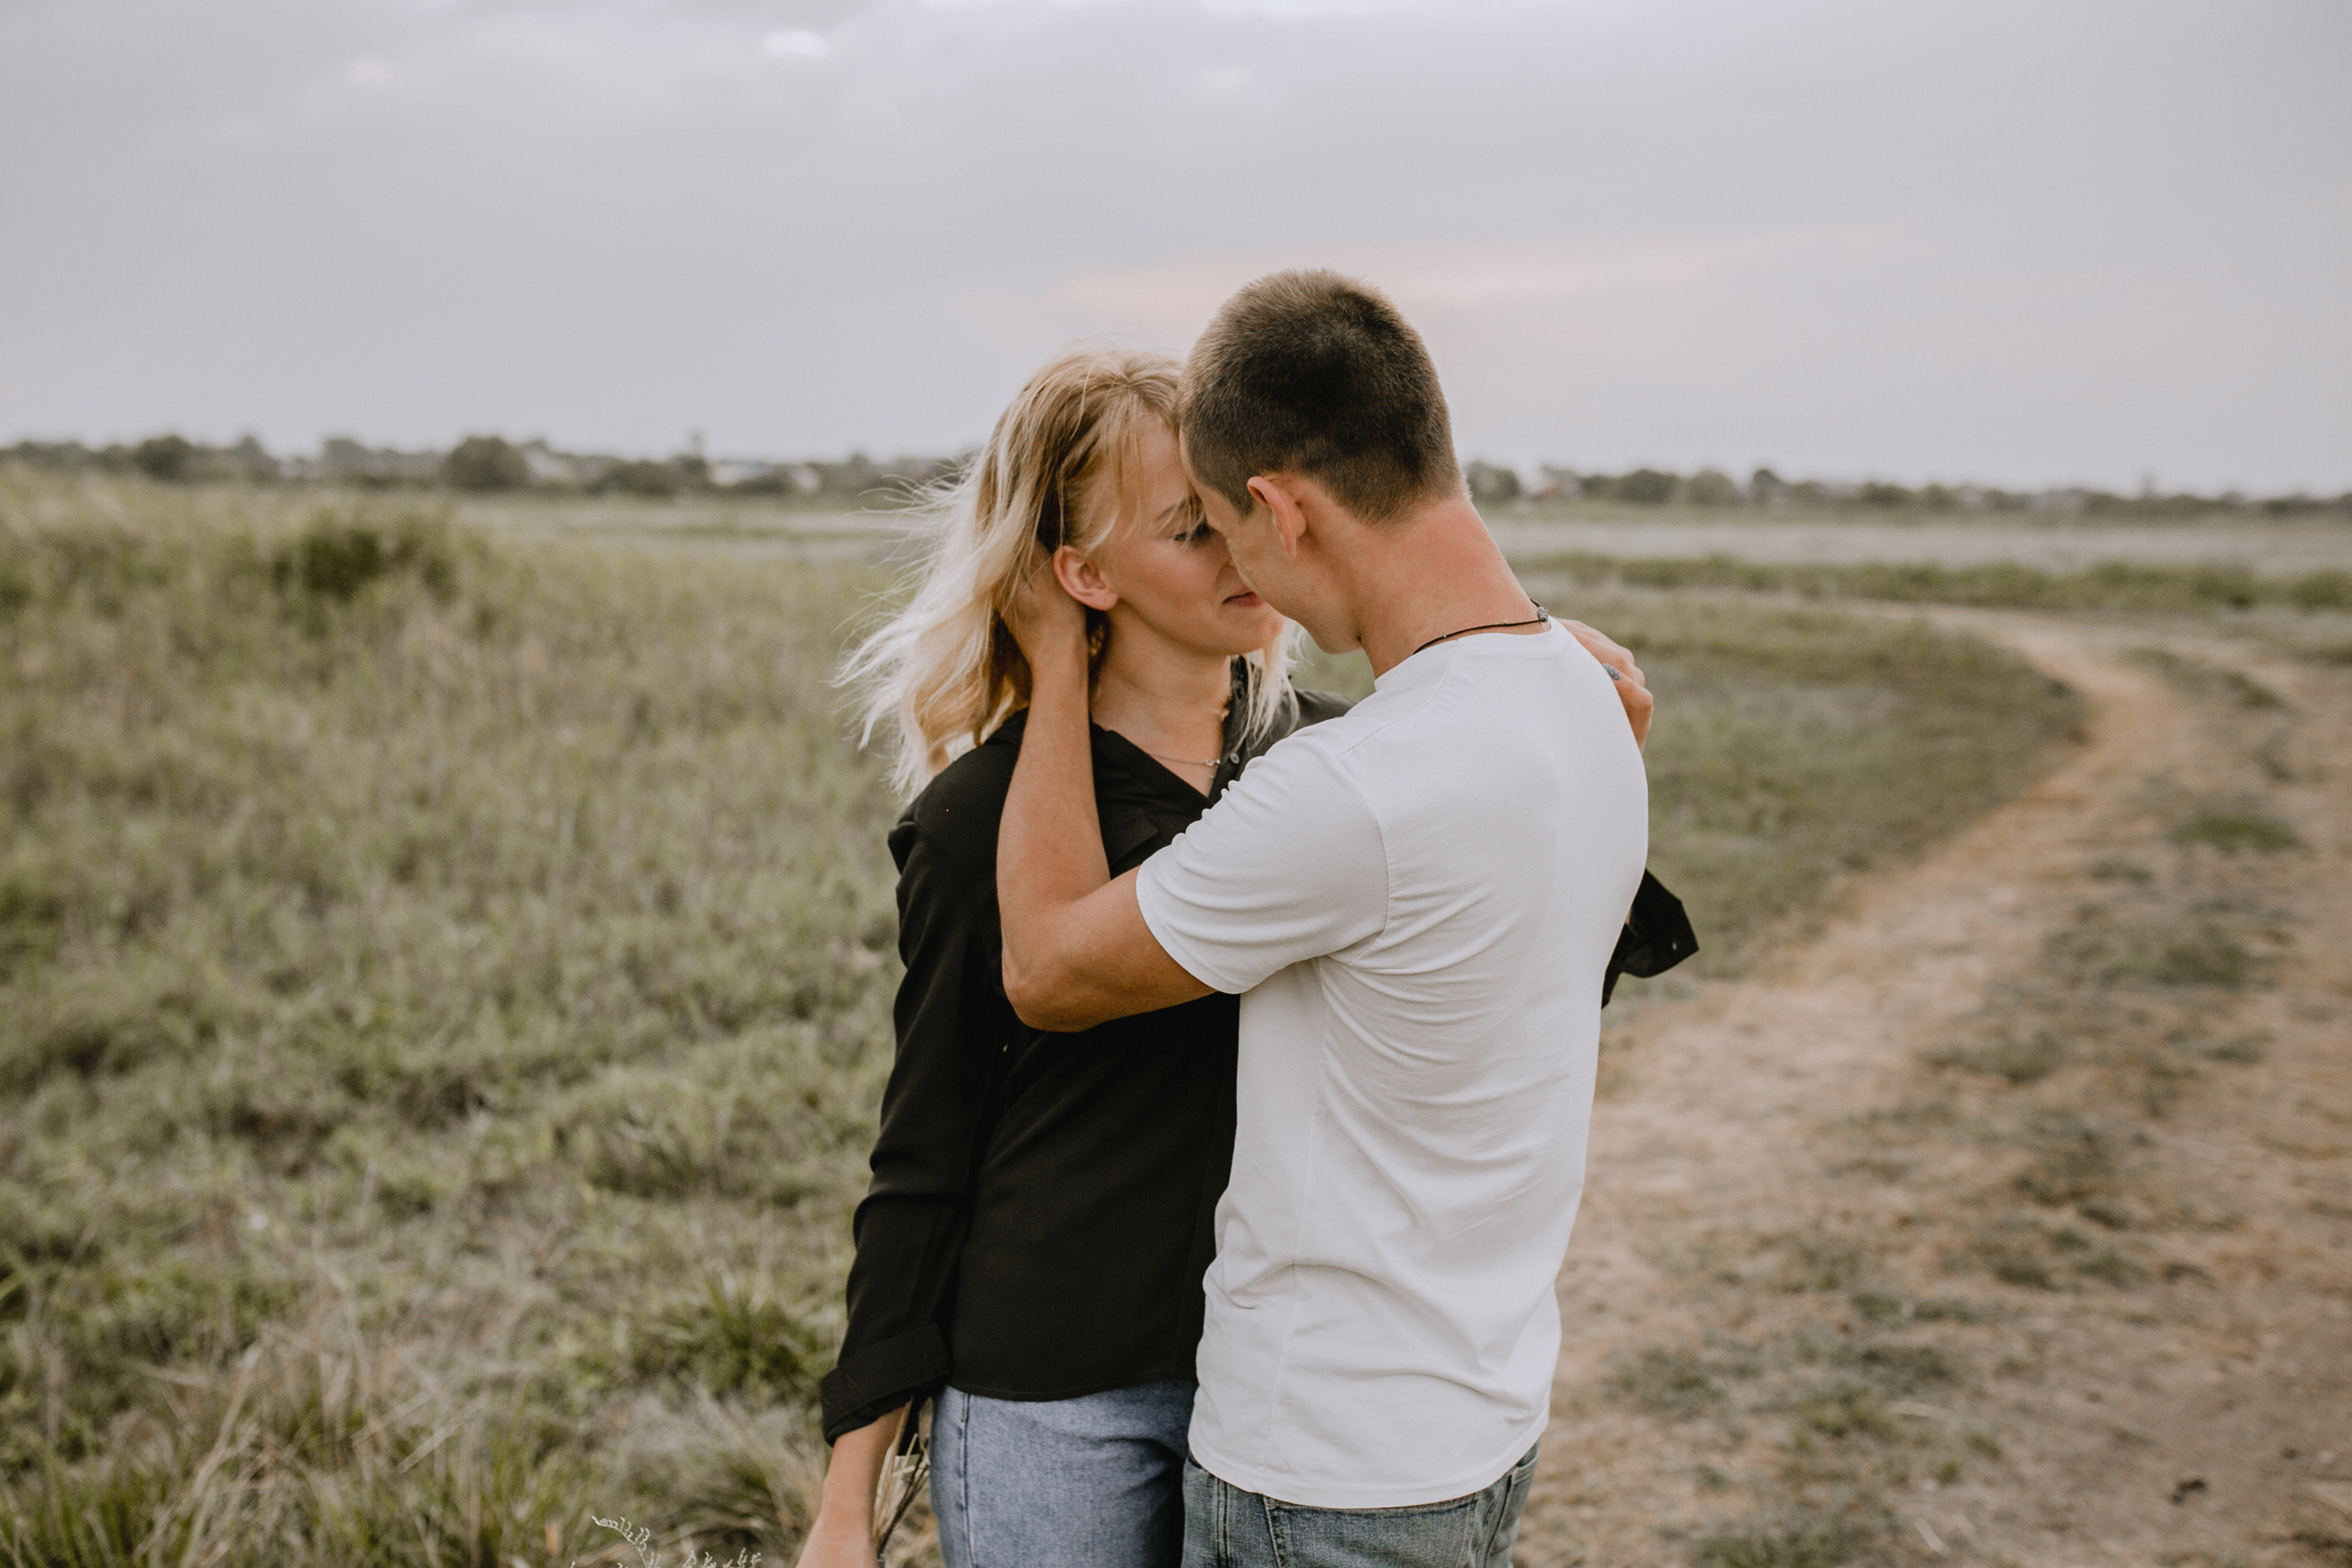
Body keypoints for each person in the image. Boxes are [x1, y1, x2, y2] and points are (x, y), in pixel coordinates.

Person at [994, 271, 1652, 1567]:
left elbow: (1048, 969)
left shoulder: (1350, 792)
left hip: (1324, 1470)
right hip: (1485, 1424)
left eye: (1225, 533)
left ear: (1282, 511)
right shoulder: (1590, 697)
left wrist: (1046, 649)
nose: (1241, 579)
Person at [798, 344, 1353, 1568]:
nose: (1240, 555)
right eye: (1189, 531)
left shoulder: (1349, 777)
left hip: (1290, 1387)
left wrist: (1525, 695)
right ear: (1082, 573)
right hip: (1054, 1404)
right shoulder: (978, 826)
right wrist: (849, 1499)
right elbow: (926, 1154)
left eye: (1241, 514)